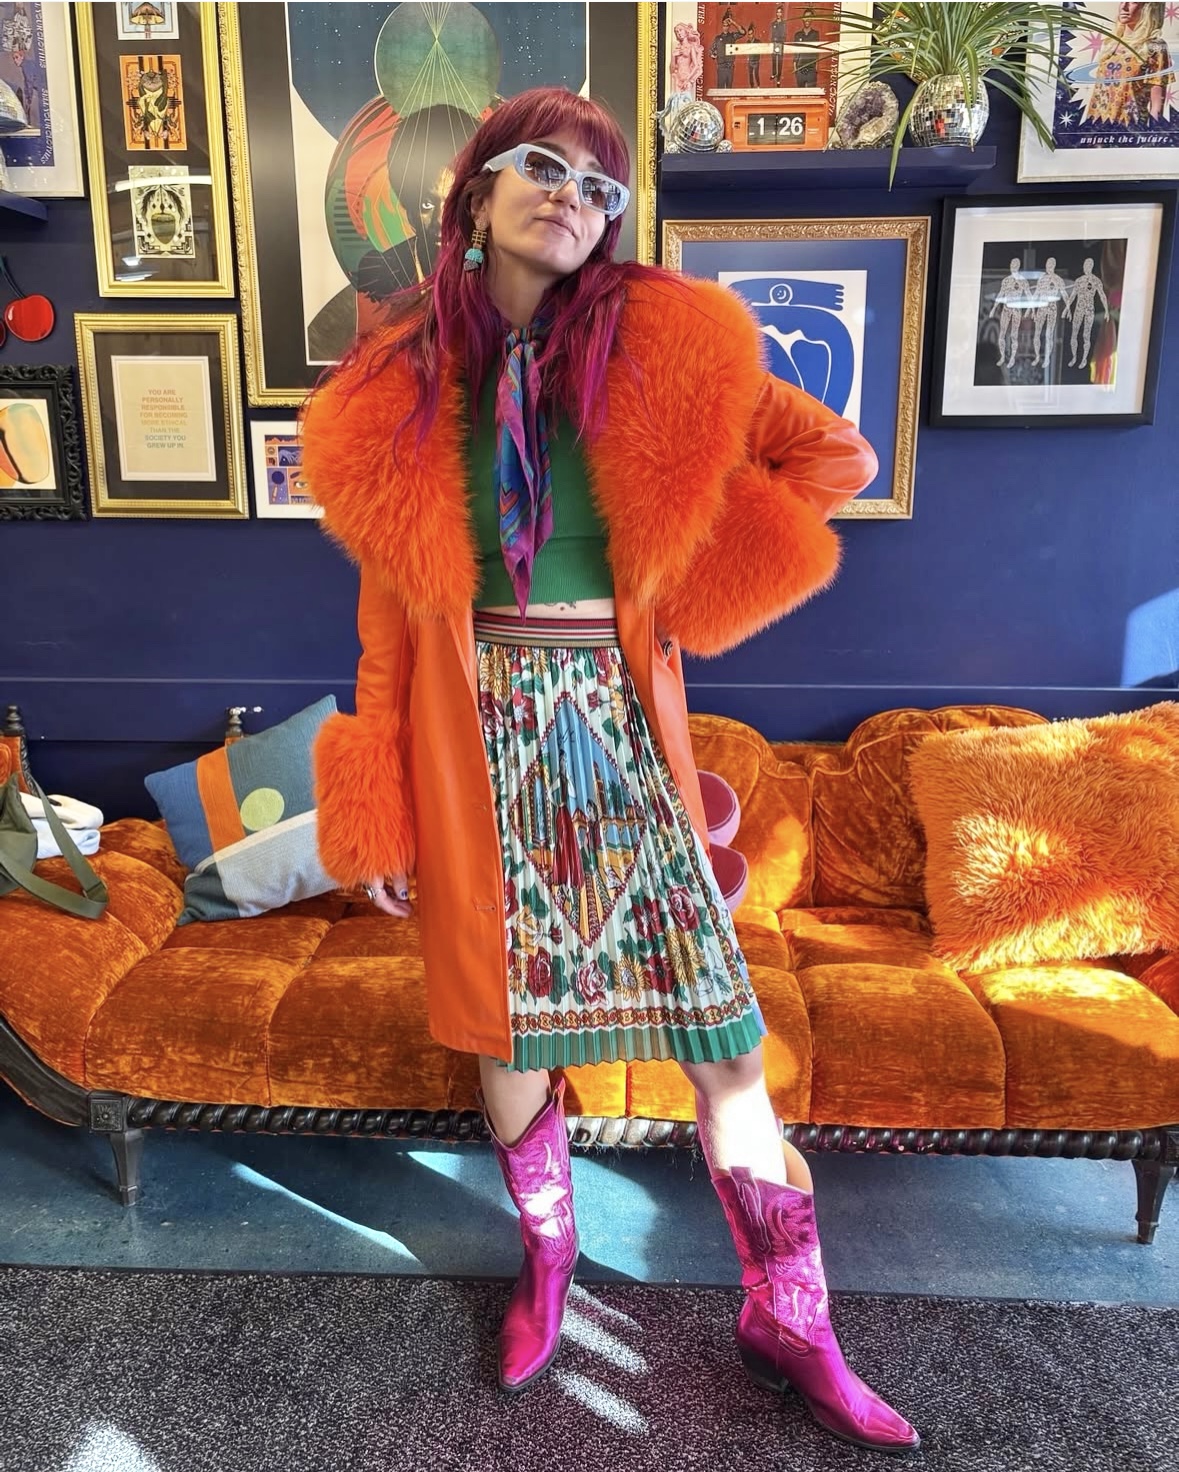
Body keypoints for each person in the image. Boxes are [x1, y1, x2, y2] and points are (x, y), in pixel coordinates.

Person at [301, 86, 919, 1456]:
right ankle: (550, 1260)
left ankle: (792, 1317)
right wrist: (377, 805)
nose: (569, 196)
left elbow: (833, 453)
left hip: (620, 722)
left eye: (598, 185)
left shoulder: (663, 348)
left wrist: (699, 565)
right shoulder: (402, 380)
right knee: (507, 1033)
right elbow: (389, 628)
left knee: (726, 1047)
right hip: (474, 733)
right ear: (475, 193)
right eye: (541, 166)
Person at [1082, 1, 1175, 130]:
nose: (1124, 7)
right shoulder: (1110, 43)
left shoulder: (1155, 46)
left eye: (1133, 2)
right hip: (1097, 128)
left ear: (1148, 8)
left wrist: (1152, 134)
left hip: (1129, 129)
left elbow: (1157, 103)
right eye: (1122, 1)